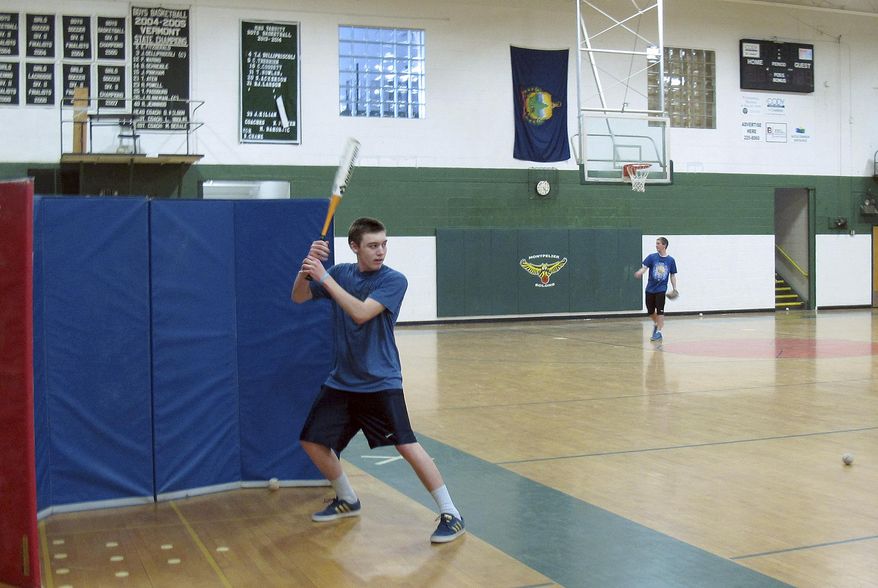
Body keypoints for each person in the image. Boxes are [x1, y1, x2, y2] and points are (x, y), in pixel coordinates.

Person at [291, 217, 465, 544]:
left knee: (407, 445)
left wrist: (324, 277)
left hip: (380, 381)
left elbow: (359, 312)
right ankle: (347, 498)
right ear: (354, 247)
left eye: (384, 244)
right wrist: (307, 268)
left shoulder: (393, 280)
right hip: (342, 381)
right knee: (312, 440)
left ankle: (451, 513)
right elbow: (299, 297)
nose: (381, 251)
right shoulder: (342, 273)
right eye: (373, 245)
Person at [634, 237, 677, 341]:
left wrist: (674, 288)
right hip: (650, 288)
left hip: (661, 289)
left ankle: (658, 332)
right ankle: (657, 324)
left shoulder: (670, 260)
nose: (656, 245)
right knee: (650, 311)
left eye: (658, 243)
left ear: (664, 245)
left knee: (660, 311)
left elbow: (672, 275)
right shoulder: (652, 257)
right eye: (656, 243)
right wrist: (640, 272)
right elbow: (644, 268)